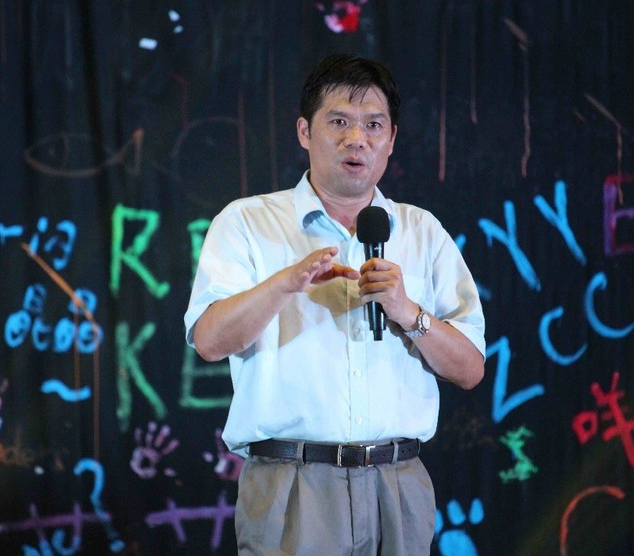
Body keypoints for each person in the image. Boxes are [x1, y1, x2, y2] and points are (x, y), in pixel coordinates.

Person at [184, 53, 485, 555]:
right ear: (305, 131)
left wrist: (408, 312)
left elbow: (471, 369)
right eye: (339, 122)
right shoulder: (247, 222)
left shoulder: (422, 231)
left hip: (398, 483)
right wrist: (285, 283)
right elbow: (210, 342)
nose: (357, 139)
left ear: (391, 139)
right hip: (292, 482)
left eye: (373, 125)